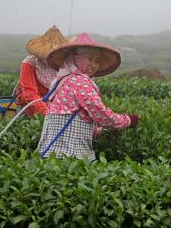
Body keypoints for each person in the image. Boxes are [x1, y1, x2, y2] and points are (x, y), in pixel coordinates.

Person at [37, 33, 140, 161]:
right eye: (89, 59)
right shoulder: (80, 82)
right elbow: (102, 115)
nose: (94, 64)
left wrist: (100, 130)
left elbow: (74, 120)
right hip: (70, 157)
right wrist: (128, 120)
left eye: (97, 61)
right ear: (75, 58)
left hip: (49, 156)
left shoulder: (62, 81)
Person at [16, 26, 69, 117]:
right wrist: (48, 114)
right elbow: (30, 93)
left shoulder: (64, 65)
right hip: (29, 107)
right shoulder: (30, 63)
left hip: (55, 109)